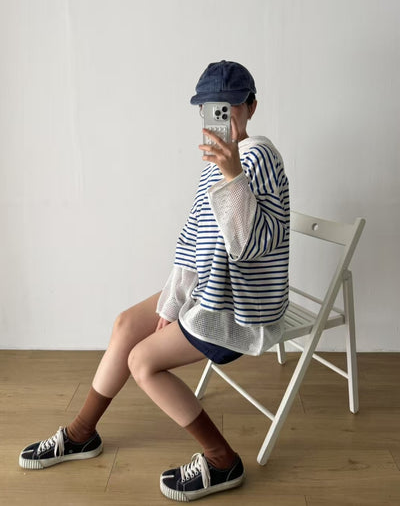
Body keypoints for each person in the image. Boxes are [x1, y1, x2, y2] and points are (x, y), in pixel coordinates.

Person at [19, 60, 290, 502]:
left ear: (251, 107)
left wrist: (233, 175)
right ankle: (82, 433)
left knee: (141, 362)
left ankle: (222, 459)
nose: (221, 117)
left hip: (238, 307)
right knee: (126, 324)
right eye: (210, 109)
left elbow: (245, 245)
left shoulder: (257, 157)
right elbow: (194, 242)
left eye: (230, 107)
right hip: (209, 288)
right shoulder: (216, 163)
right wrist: (171, 303)